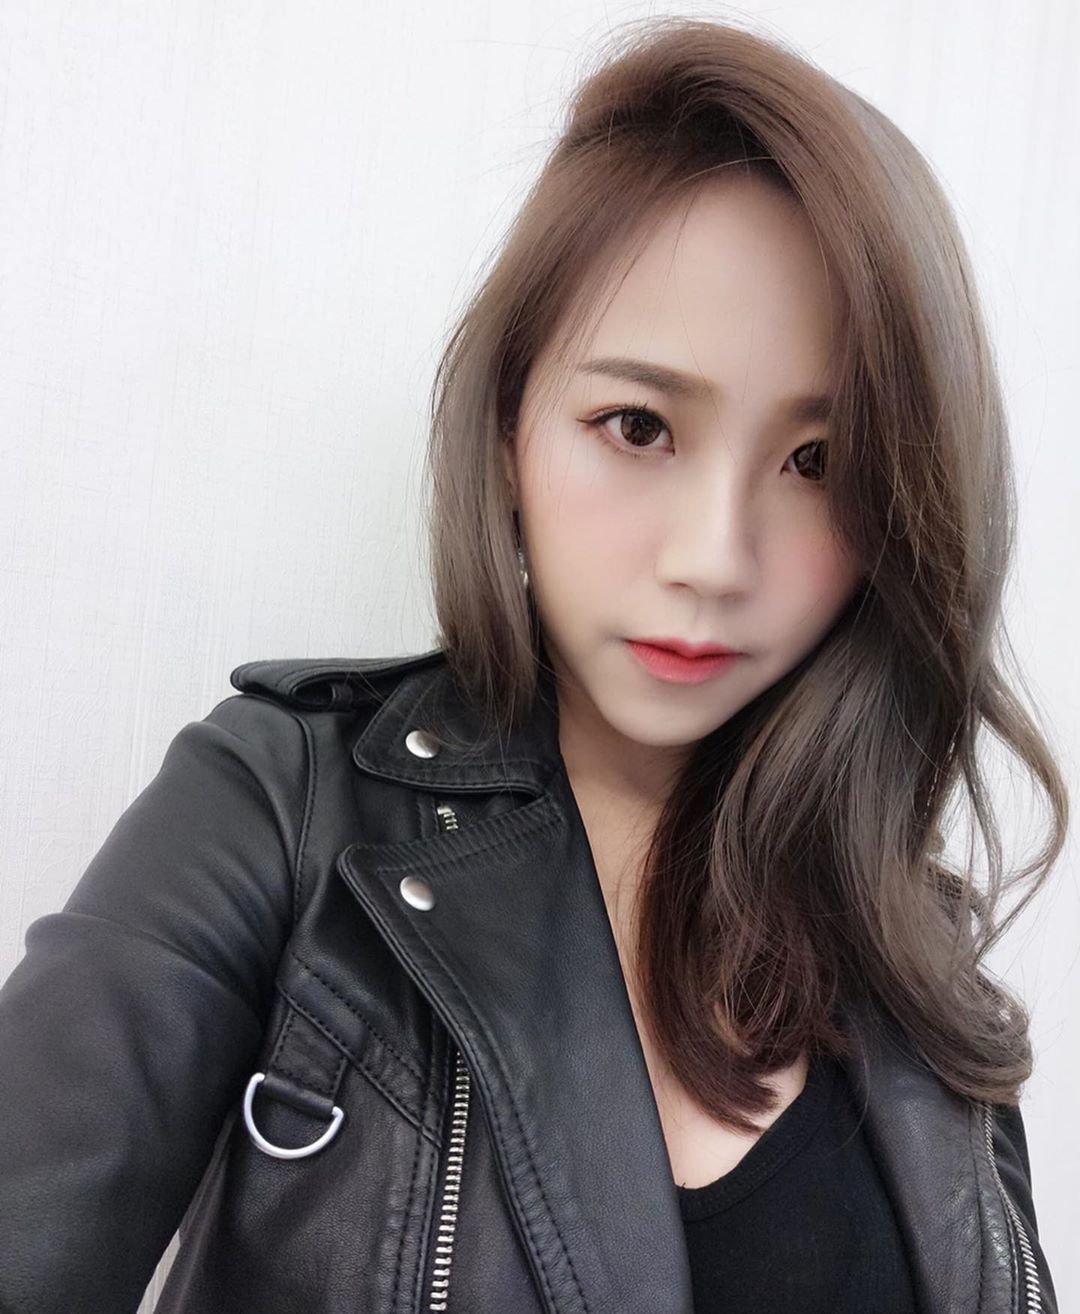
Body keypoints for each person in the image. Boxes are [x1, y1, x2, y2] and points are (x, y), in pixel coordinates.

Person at [0, 15, 1066, 1314]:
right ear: (510, 426)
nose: (712, 557)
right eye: (638, 425)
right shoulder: (279, 808)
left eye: (817, 462)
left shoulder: (911, 950)